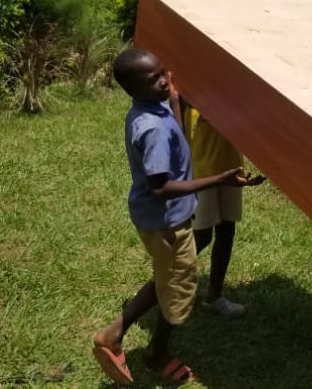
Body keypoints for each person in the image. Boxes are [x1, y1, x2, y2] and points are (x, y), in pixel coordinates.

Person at [92, 48, 264, 386]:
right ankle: (154, 353)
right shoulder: (153, 129)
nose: (163, 81)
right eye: (153, 79)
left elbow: (176, 131)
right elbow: (161, 187)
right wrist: (219, 179)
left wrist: (172, 99)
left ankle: (116, 334)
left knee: (166, 277)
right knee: (179, 290)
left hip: (162, 219)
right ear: (132, 89)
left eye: (163, 73)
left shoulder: (151, 108)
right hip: (167, 221)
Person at [171, 92, 251, 319]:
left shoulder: (234, 85)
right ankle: (164, 282)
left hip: (230, 166)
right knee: (202, 235)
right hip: (200, 171)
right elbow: (177, 126)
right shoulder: (184, 87)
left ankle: (214, 296)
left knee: (227, 229)